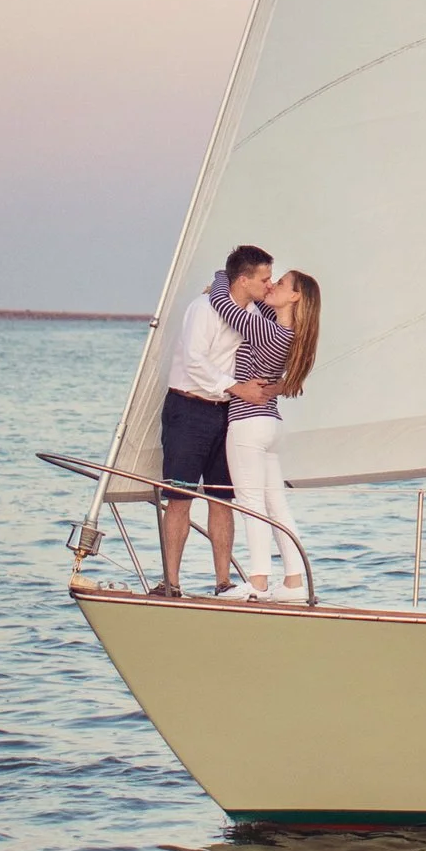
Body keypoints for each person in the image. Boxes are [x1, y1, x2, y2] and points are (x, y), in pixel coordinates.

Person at [157, 245, 275, 596]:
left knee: (223, 499)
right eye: (265, 279)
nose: (269, 285)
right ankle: (171, 583)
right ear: (243, 279)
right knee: (180, 497)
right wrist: (237, 387)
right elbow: (194, 361)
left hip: (227, 413)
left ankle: (223, 582)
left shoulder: (255, 314)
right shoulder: (204, 308)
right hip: (188, 409)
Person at [224, 270, 320, 601]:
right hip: (271, 424)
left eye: (279, 283)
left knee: (251, 504)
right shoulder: (290, 332)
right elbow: (264, 306)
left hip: (248, 422)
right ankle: (293, 582)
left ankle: (259, 582)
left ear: (294, 297)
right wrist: (262, 293)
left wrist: (226, 275)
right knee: (276, 506)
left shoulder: (269, 330)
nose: (271, 285)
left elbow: (225, 305)